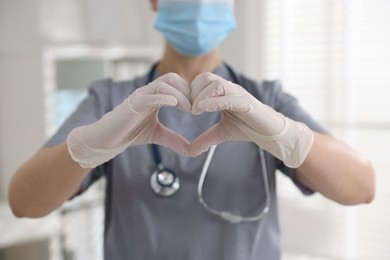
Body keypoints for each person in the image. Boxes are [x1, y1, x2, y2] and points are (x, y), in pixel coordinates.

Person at [8, 0, 375, 259]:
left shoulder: (267, 102)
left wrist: (287, 136)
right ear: (154, 1)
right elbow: (23, 202)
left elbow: (363, 187)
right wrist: (86, 147)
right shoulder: (112, 102)